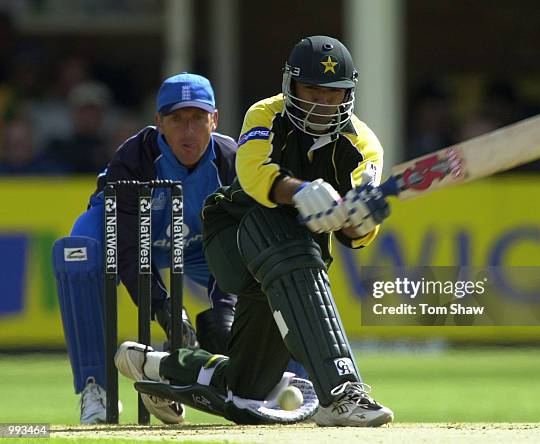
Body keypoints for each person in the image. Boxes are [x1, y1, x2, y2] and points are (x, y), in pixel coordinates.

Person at [115, 36, 394, 427]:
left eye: (333, 94)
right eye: (311, 90)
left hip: (294, 267)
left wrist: (362, 220)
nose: (321, 103)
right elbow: (253, 175)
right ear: (291, 85)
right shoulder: (265, 114)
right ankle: (342, 391)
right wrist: (299, 191)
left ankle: (159, 367)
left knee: (247, 391)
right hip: (233, 237)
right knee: (283, 230)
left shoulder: (363, 145)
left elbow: (355, 234)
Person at [52, 73, 238, 424]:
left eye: (198, 118)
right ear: (159, 123)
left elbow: (237, 247)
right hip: (129, 238)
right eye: (177, 119)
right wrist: (161, 305)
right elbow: (124, 243)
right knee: (75, 254)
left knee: (274, 264)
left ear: (215, 119)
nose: (189, 131)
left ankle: (294, 383)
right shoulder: (134, 158)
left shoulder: (230, 161)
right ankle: (97, 389)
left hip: (200, 247)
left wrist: (224, 309)